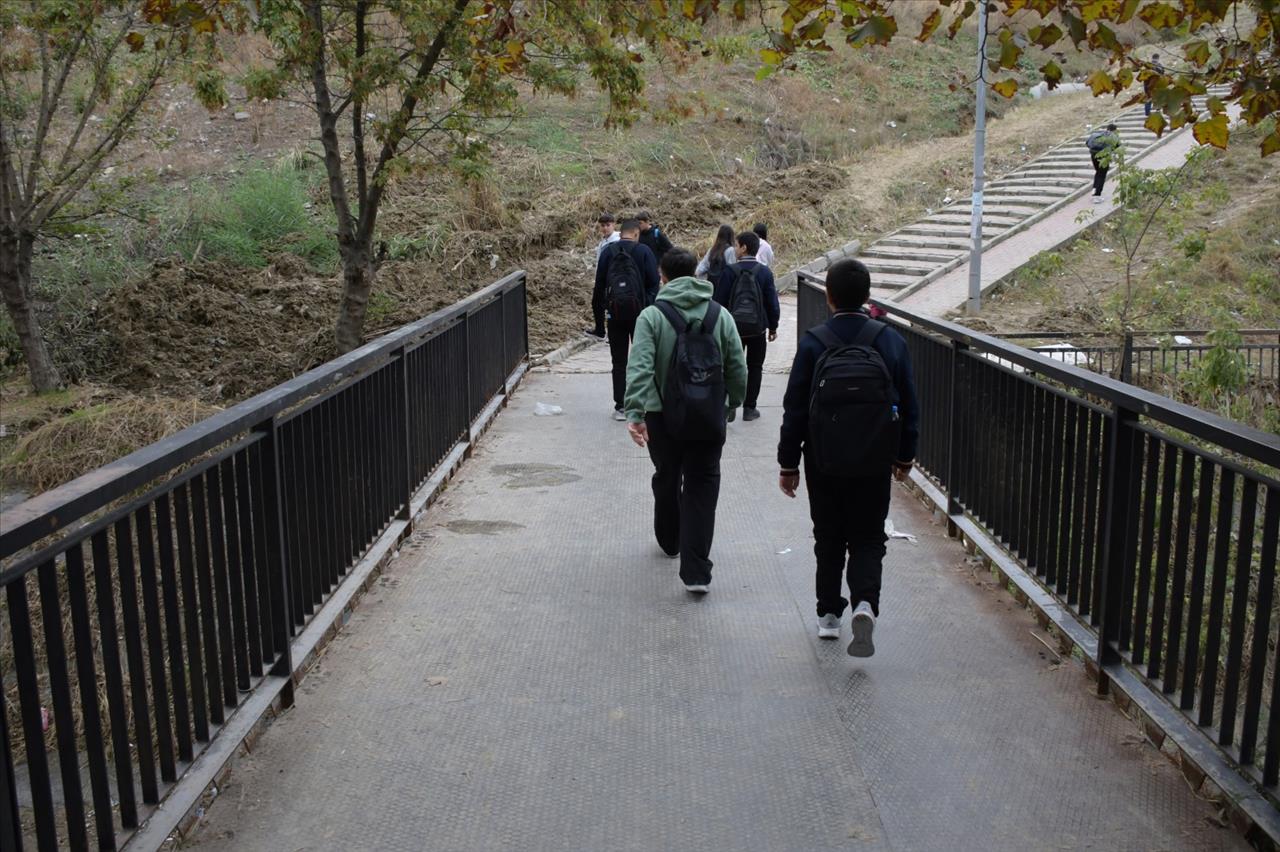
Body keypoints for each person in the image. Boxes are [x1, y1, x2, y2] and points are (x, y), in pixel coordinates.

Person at [777, 258, 919, 658]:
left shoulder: (813, 342)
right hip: (875, 459)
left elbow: (796, 410)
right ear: (868, 296)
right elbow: (909, 403)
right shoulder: (890, 340)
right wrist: (905, 455)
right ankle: (864, 604)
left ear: (829, 296)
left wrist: (788, 465)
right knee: (869, 537)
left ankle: (827, 615)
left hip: (823, 460)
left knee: (829, 536)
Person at [625, 247, 747, 594]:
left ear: (662, 277)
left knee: (667, 474)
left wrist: (635, 412)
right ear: (696, 273)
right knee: (702, 485)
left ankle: (669, 539)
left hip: (662, 416)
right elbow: (737, 365)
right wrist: (732, 402)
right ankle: (696, 572)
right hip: (708, 416)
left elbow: (640, 367)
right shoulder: (719, 315)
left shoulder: (651, 316)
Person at [594, 218, 660, 419]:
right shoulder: (644, 252)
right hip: (641, 316)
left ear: (621, 232)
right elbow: (654, 284)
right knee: (643, 360)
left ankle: (621, 406)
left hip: (615, 315)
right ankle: (642, 404)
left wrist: (599, 323)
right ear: (637, 233)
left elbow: (598, 288)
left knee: (619, 361)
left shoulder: (607, 252)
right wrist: (647, 307)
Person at [714, 230, 779, 422]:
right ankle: (750, 409)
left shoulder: (729, 271)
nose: (734, 248)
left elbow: (719, 301)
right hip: (758, 329)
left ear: (744, 248)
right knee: (755, 367)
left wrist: (718, 328)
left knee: (730, 366)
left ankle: (731, 404)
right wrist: (773, 327)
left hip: (733, 330)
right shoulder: (765, 272)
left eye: (736, 245)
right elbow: (772, 303)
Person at [1085, 123, 1120, 203]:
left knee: (1098, 172)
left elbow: (1087, 143)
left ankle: (1094, 188)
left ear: (1107, 128)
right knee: (1102, 174)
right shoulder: (1113, 136)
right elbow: (1118, 147)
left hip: (1094, 155)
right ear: (1114, 130)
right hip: (1104, 157)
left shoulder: (1096, 134)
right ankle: (1097, 196)